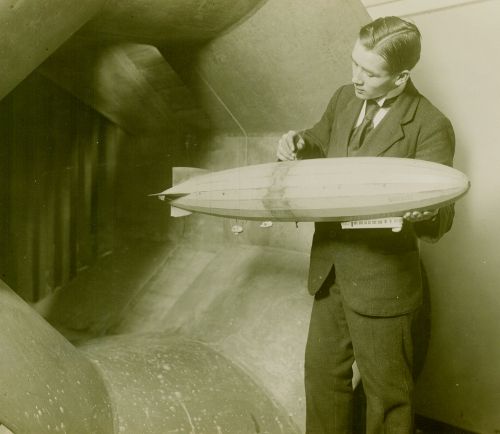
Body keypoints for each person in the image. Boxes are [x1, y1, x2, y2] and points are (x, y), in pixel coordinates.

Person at [276, 16, 455, 434]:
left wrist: (425, 210)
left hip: (384, 285)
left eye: (369, 72)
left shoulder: (430, 125)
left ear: (401, 77)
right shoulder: (344, 98)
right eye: (354, 63)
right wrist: (299, 144)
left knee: (388, 399)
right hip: (330, 272)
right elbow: (320, 140)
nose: (355, 77)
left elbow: (443, 215)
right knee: (322, 383)